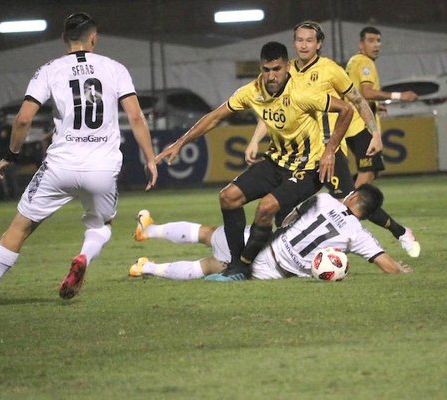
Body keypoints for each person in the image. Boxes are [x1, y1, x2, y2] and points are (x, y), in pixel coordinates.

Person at [0, 12, 158, 309]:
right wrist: (150, 159)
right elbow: (136, 116)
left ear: (64, 40)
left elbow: (24, 119)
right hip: (102, 168)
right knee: (101, 225)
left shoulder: (49, 69)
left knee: (19, 228)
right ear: (94, 38)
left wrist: (11, 154)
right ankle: (83, 257)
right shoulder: (115, 68)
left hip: (59, 166)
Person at [155, 41, 354, 281]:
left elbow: (346, 110)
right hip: (275, 162)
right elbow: (215, 117)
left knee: (266, 207)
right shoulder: (252, 91)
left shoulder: (303, 92)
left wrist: (330, 150)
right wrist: (180, 142)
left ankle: (243, 265)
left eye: (277, 69)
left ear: (287, 67)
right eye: (266, 69)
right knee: (228, 197)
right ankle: (236, 265)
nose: (271, 76)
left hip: (307, 169)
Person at [245, 21, 420, 258]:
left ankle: (400, 233)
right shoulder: (285, 71)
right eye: (299, 40)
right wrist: (255, 140)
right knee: (280, 208)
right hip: (295, 154)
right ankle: (276, 253)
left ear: (319, 44)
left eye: (309, 40)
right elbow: (272, 112)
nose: (303, 45)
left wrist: (375, 133)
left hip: (327, 149)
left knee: (349, 201)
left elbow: (357, 100)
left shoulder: (330, 69)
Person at [129, 184, 412, 281]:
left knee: (210, 234)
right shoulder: (359, 235)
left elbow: (289, 217)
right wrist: (400, 269)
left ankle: (149, 233)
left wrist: (286, 227)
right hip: (273, 273)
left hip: (264, 245)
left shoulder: (325, 200)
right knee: (208, 266)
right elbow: (387, 265)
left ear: (352, 198)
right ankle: (147, 267)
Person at [345, 26, 418, 188]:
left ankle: (341, 198)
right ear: (361, 44)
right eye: (370, 41)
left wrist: (376, 106)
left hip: (351, 124)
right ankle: (345, 211)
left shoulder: (353, 61)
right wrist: (400, 96)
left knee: (372, 170)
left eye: (378, 41)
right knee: (368, 171)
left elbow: (356, 94)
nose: (376, 45)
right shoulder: (365, 62)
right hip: (361, 126)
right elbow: (367, 92)